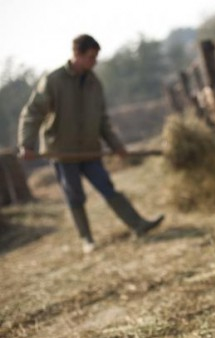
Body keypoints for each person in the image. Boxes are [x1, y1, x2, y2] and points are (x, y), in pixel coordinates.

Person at [17, 34, 164, 253]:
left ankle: (138, 224)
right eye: (91, 57)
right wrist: (26, 144)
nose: (94, 62)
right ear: (77, 54)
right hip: (62, 152)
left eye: (96, 57)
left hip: (89, 150)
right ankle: (87, 239)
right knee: (74, 195)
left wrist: (116, 145)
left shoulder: (94, 83)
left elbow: (102, 119)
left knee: (107, 187)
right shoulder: (54, 80)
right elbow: (33, 113)